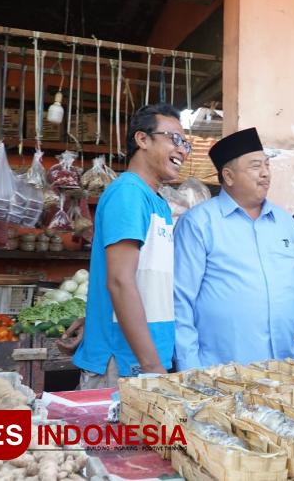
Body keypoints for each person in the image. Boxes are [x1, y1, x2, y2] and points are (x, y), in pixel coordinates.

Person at [173, 128, 294, 369]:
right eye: (255, 166)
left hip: (286, 369)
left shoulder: (286, 225)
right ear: (228, 176)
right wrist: (191, 369)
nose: (265, 174)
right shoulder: (199, 223)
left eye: (267, 165)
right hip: (220, 374)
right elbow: (180, 299)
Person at [70, 104, 189, 388]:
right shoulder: (129, 194)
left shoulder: (156, 200)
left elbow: (140, 278)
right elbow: (120, 281)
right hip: (125, 363)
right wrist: (152, 367)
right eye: (174, 138)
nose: (182, 149)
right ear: (142, 140)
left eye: (185, 142)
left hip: (142, 359)